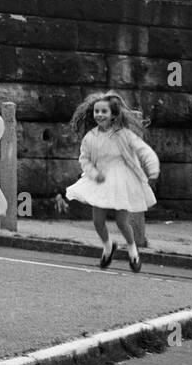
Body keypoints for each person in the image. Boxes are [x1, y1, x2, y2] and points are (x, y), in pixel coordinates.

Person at [64, 91, 160, 272]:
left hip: (121, 181)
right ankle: (108, 247)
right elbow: (84, 159)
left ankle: (133, 251)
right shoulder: (90, 137)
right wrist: (92, 172)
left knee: (122, 221)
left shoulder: (124, 135)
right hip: (99, 180)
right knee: (97, 221)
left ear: (113, 114)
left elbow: (144, 151)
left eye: (104, 111)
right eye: (97, 111)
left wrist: (152, 168)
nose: (99, 115)